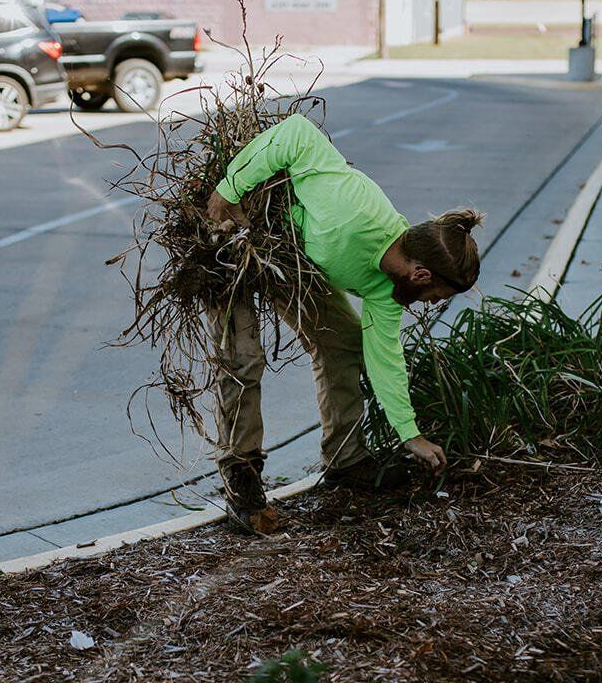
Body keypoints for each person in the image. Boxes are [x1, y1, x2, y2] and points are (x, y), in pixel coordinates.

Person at [204, 112, 483, 531]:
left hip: (296, 266)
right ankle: (241, 477)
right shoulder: (354, 209)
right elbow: (296, 133)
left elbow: (385, 359)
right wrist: (229, 189)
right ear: (421, 275)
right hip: (232, 243)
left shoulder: (388, 290)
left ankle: (345, 459)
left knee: (344, 343)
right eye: (436, 297)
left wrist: (411, 435)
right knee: (244, 360)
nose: (428, 305)